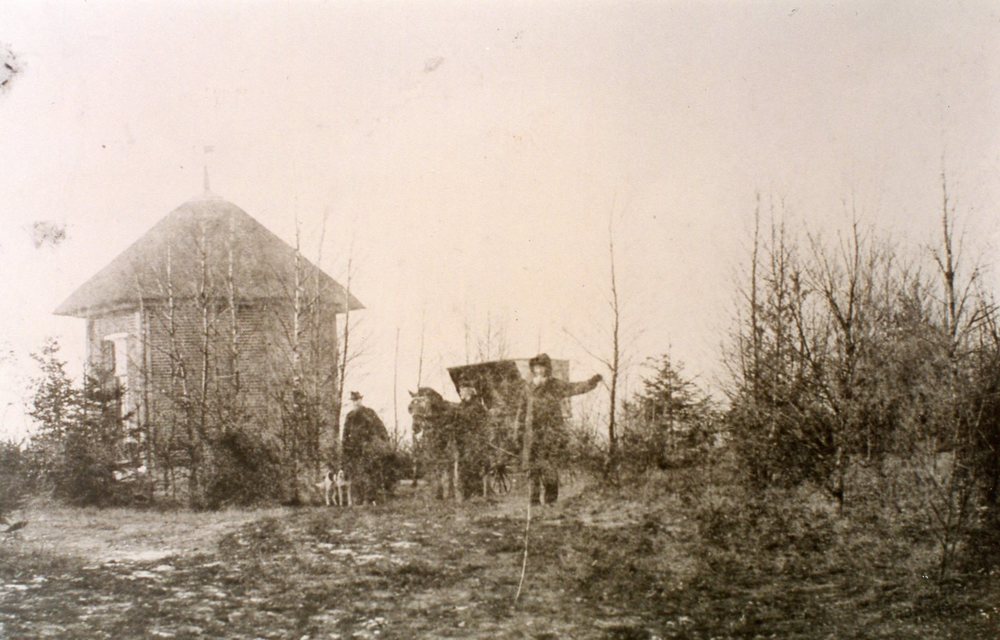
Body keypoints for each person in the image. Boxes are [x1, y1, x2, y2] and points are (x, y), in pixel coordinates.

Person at [516, 353, 602, 505]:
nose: (539, 370)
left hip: (550, 433)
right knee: (532, 470)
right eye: (536, 367)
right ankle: (533, 504)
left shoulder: (555, 385)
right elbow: (521, 411)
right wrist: (518, 431)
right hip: (531, 435)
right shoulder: (527, 388)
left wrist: (591, 382)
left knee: (549, 469)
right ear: (533, 369)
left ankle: (551, 503)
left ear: (547, 369)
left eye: (542, 367)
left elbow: (574, 388)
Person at [341, 391, 393, 504]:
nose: (355, 403)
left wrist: (383, 442)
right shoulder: (350, 416)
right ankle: (358, 499)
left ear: (361, 400)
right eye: (353, 401)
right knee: (356, 473)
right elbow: (345, 433)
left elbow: (380, 428)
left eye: (357, 400)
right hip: (354, 449)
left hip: (368, 448)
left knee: (369, 473)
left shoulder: (369, 413)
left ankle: (369, 498)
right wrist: (345, 447)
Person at [454, 375, 489, 498]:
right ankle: (466, 494)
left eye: (462, 390)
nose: (460, 392)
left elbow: (482, 424)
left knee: (474, 466)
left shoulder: (477, 406)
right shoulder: (461, 406)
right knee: (464, 467)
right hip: (462, 441)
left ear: (469, 391)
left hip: (474, 441)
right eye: (460, 390)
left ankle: (476, 493)